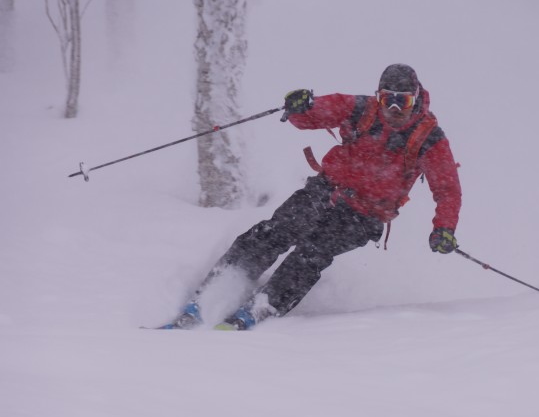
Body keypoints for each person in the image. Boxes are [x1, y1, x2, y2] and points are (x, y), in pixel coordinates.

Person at [161, 64, 462, 330]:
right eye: (388, 100)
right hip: (326, 190)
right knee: (274, 232)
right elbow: (314, 115)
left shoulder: (428, 137)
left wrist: (444, 229)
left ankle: (263, 306)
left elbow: (447, 188)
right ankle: (210, 295)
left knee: (313, 251)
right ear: (379, 96)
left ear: (416, 98)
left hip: (366, 213)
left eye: (403, 101)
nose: (395, 109)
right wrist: (301, 106)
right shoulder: (361, 108)